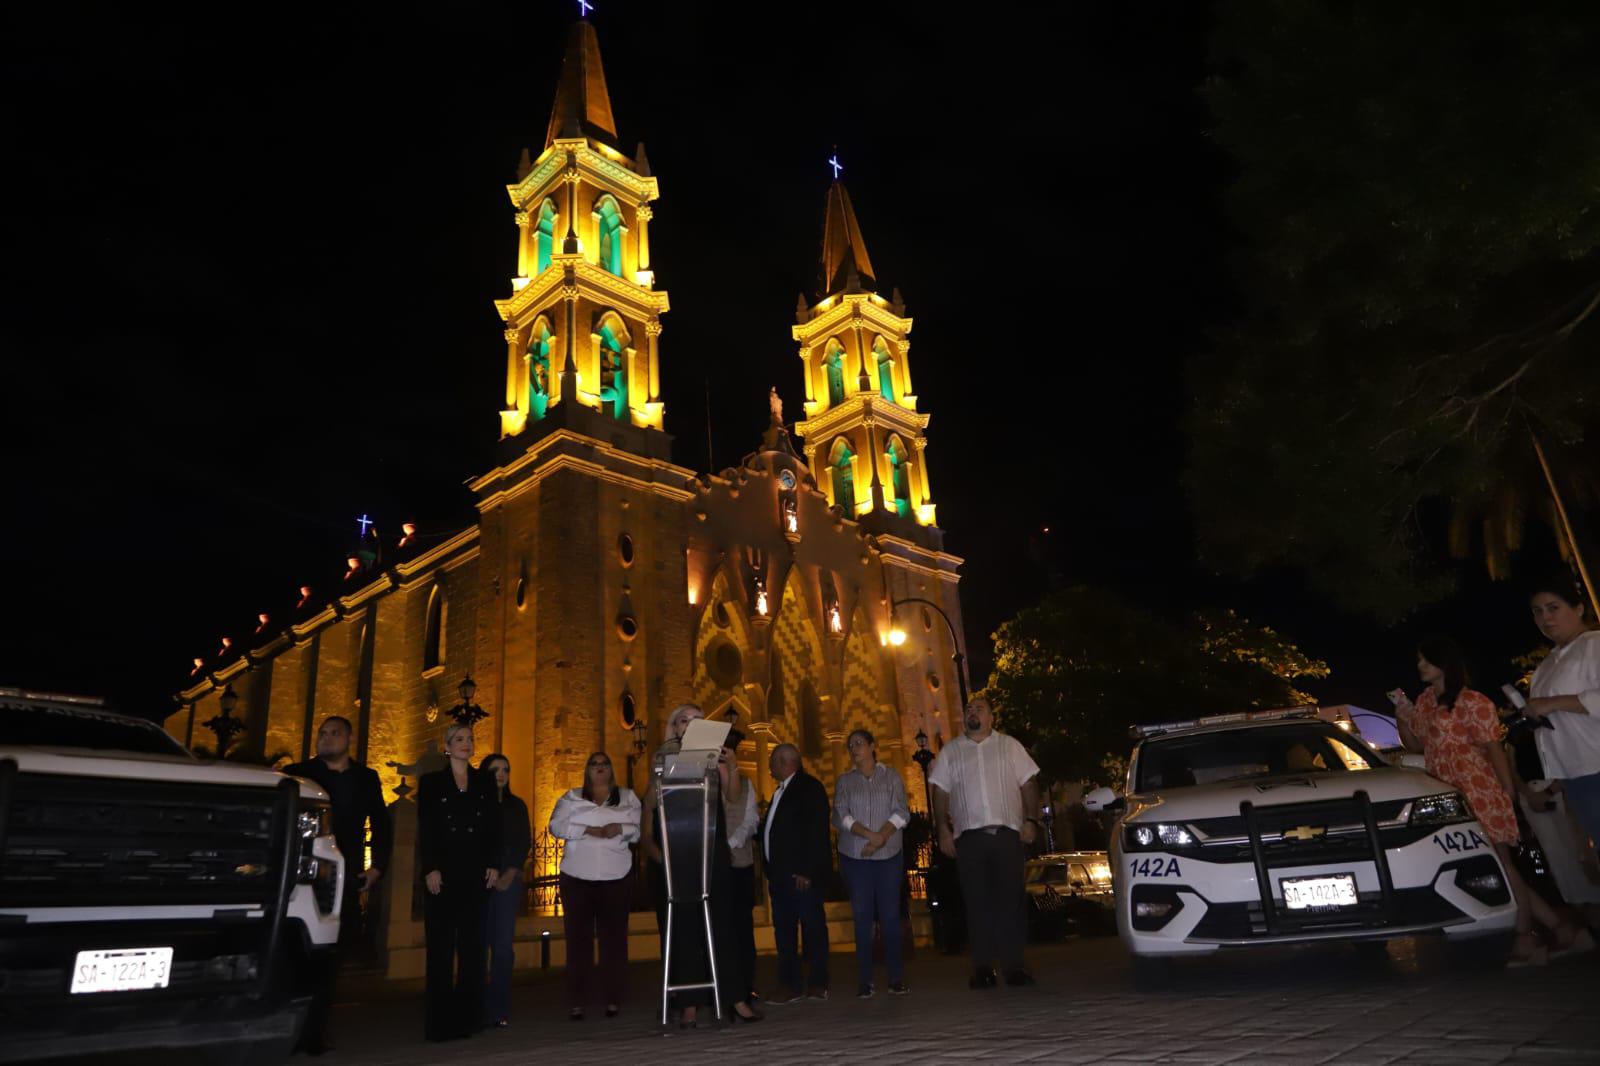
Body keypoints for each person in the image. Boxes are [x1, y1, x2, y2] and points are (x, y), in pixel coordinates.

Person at [1394, 638, 1592, 966]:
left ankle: (1525, 938)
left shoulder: (1472, 701)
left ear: (1445, 662)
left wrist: (1506, 792)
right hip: (1451, 795)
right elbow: (1417, 746)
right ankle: (1563, 930)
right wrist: (1403, 717)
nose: (1421, 666)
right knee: (1499, 865)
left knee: (1501, 864)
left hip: (1478, 789)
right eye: (1419, 660)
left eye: (1426, 659)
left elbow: (1493, 748)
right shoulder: (1426, 701)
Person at [640, 704, 759, 1026]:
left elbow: (732, 796)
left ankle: (735, 998)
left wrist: (731, 765)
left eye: (696, 720)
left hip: (711, 846)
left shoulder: (715, 756)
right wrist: (665, 777)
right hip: (679, 845)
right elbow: (649, 803)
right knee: (686, 925)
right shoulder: (663, 757)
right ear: (675, 727)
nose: (689, 725)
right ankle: (689, 1003)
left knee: (722, 923)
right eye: (684, 720)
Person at [283, 715, 394, 1054]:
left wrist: (377, 867)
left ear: (348, 739)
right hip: (301, 876)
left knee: (332, 955)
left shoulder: (365, 778)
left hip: (343, 878)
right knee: (296, 953)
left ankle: (315, 1032)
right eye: (322, 733)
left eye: (334, 733)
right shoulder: (298, 773)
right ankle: (289, 1030)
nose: (326, 738)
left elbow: (381, 823)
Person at [928, 696, 1041, 989]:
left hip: (1006, 835)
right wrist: (943, 830)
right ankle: (982, 968)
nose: (972, 712)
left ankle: (1014, 966)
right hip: (970, 839)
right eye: (968, 709)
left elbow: (1028, 783)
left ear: (991, 717)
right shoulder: (951, 751)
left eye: (979, 708)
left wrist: (1031, 820)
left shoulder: (1009, 746)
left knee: (1010, 901)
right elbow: (940, 791)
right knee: (976, 902)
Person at [1523, 576, 1600, 928]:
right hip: (1574, 771)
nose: (1546, 617)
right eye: (1538, 611)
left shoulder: (1594, 645)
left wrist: (1552, 703)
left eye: (1554, 608)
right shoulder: (1548, 664)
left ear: (1579, 608)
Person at [417, 722, 500, 1042]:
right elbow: (427, 828)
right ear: (447, 745)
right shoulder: (431, 783)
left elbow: (493, 826)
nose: (467, 743)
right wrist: (430, 867)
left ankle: (469, 1019)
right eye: (460, 739)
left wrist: (493, 863)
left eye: (470, 739)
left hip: (475, 873)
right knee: (440, 949)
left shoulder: (484, 781)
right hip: (444, 873)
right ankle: (439, 1024)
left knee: (473, 948)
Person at [548, 751, 640, 1020]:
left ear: (611, 769)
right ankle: (577, 1000)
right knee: (579, 941)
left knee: (614, 940)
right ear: (587, 770)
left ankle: (613, 997)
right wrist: (586, 829)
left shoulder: (628, 797)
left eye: (604, 764)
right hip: (577, 878)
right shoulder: (571, 797)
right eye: (594, 764)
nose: (599, 768)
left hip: (616, 877)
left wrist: (620, 829)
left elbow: (638, 829)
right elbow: (555, 826)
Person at [834, 728, 911, 999]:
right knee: (862, 917)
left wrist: (882, 838)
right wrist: (870, 835)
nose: (854, 749)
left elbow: (902, 812)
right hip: (856, 858)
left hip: (888, 856)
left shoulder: (891, 777)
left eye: (859, 743)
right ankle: (865, 980)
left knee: (889, 916)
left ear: (872, 746)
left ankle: (896, 978)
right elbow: (841, 815)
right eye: (850, 745)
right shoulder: (845, 781)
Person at [760, 742, 832, 1003]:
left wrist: (807, 870)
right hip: (780, 876)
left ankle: (818, 982)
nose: (769, 767)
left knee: (812, 928)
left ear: (784, 762)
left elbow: (816, 831)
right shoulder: (781, 791)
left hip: (801, 876)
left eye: (772, 761)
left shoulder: (809, 788)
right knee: (784, 932)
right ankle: (789, 984)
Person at [479, 754, 530, 1028]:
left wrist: (510, 872)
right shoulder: (476, 804)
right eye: (495, 769)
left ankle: (498, 1008)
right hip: (479, 880)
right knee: (477, 943)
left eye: (505, 769)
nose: (501, 774)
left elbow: (523, 841)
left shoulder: (516, 806)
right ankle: (476, 1005)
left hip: (508, 880)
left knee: (501, 946)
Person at [720, 729, 760, 1004]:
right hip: (714, 870)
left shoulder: (746, 784)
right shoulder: (706, 784)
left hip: (740, 866)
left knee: (743, 929)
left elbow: (751, 821)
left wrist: (729, 844)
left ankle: (746, 985)